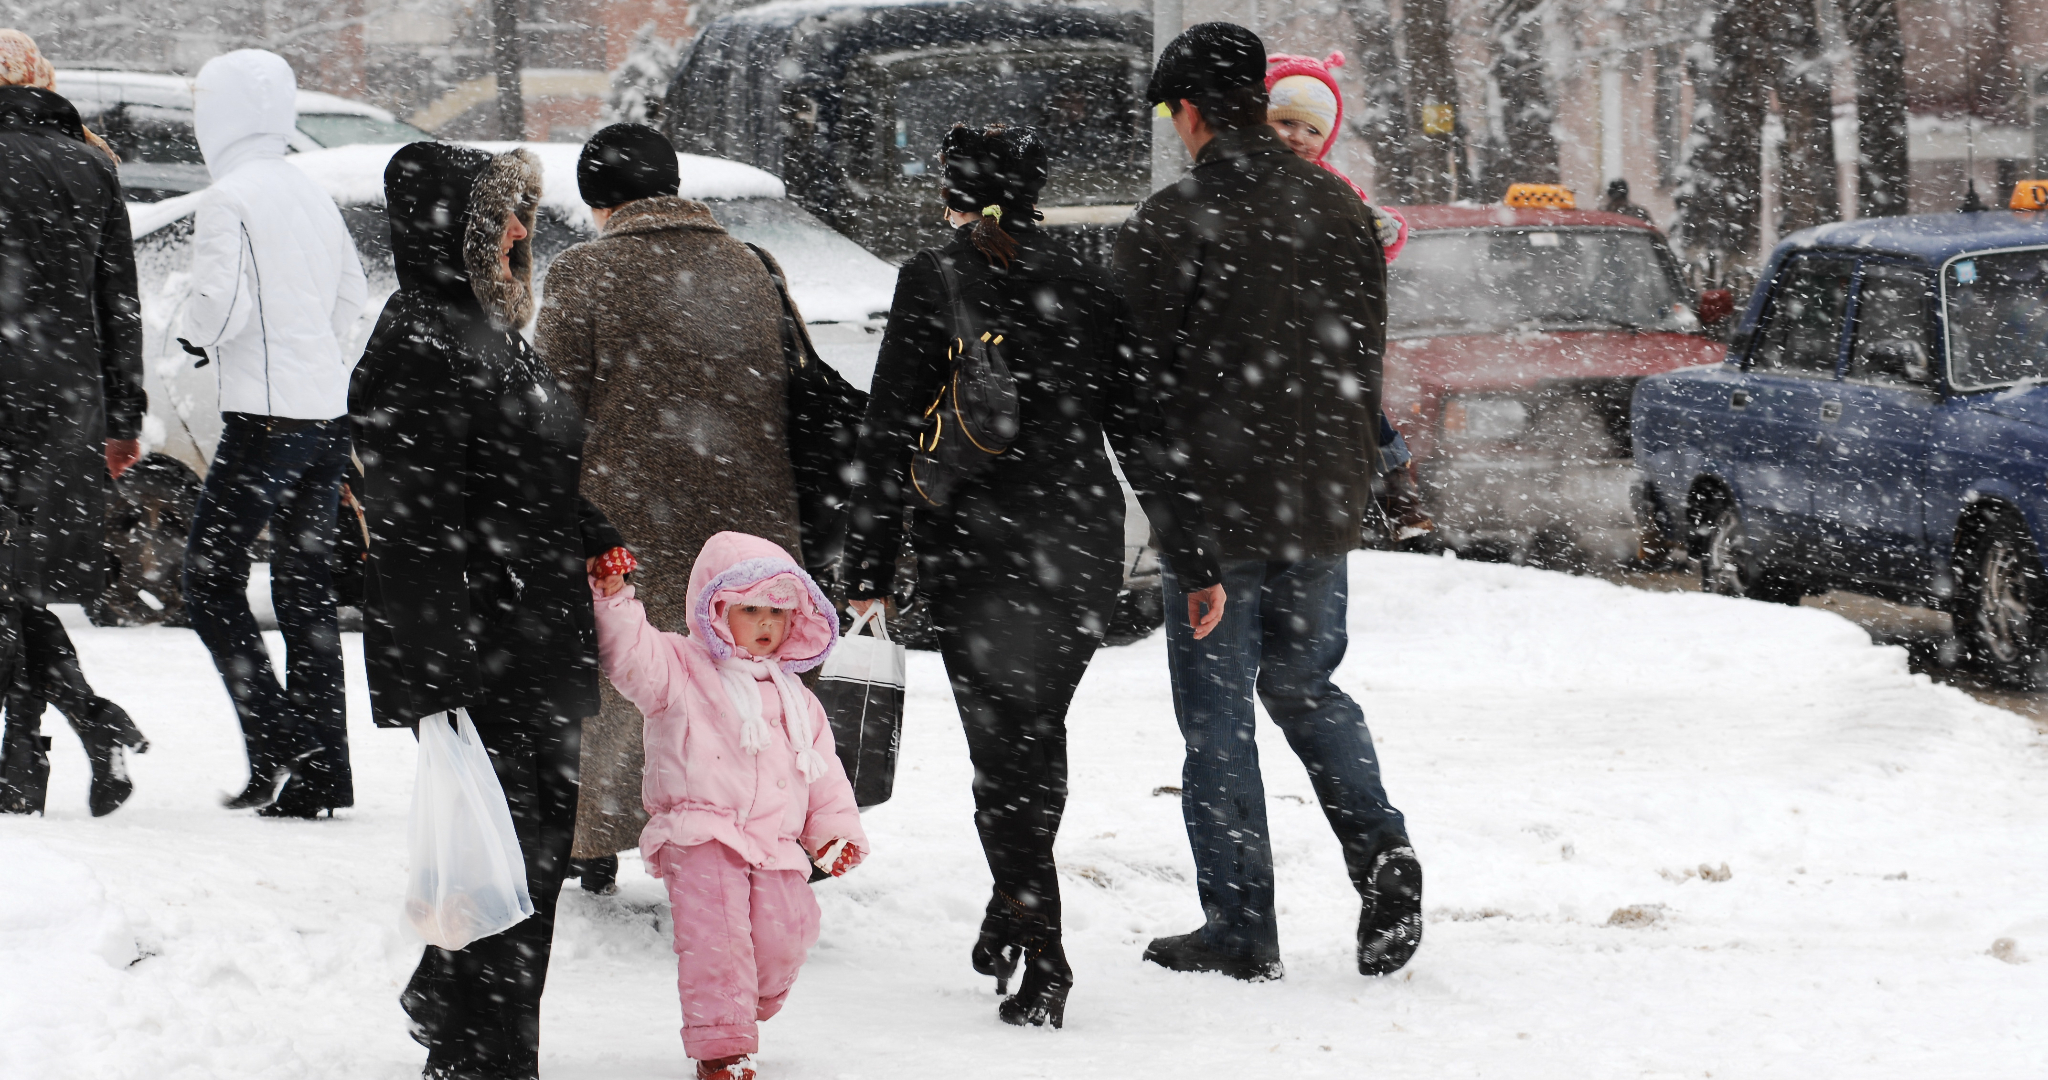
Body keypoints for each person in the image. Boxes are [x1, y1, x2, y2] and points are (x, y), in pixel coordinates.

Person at [842, 122, 1226, 1028]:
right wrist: (1192, 556)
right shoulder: (1091, 281)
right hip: (1079, 547)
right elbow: (1141, 431)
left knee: (1000, 757)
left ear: (949, 190)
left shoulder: (932, 278)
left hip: (977, 551)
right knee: (1035, 738)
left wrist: (865, 570)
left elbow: (888, 431)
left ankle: (1041, 946)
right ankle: (1010, 905)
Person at [1115, 22, 1422, 983]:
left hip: (1218, 516)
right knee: (1305, 688)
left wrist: (1182, 539)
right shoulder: (1340, 210)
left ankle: (1242, 926)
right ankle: (1383, 852)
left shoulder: (1175, 220)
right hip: (1320, 505)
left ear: (1192, 112)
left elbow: (1134, 395)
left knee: (1218, 722)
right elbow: (1357, 367)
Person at [349, 141, 628, 1080]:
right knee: (518, 865)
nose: (522, 232)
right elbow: (416, 526)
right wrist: (445, 682)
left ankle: (452, 1003)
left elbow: (515, 471)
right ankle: (493, 1055)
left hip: (531, 632)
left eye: (522, 211)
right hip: (484, 652)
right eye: (501, 214)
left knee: (517, 862)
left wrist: (588, 528)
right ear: (450, 233)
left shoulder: (483, 327)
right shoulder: (420, 341)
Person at [536, 123, 808, 894]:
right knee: (739, 684)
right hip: (753, 525)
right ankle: (756, 834)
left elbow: (553, 412)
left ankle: (596, 837)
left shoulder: (582, 275)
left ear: (598, 200)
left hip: (631, 524)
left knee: (628, 686)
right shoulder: (753, 265)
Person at [589, 531, 865, 1080]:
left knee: (787, 935)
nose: (767, 623)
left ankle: (738, 1008)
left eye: (779, 612)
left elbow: (824, 771)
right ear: (715, 610)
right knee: (715, 942)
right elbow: (630, 656)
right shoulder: (679, 668)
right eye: (751, 609)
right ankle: (723, 1050)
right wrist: (615, 597)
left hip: (776, 843)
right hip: (701, 832)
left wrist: (835, 832)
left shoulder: (798, 697)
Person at [177, 49, 369, 818]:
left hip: (265, 417)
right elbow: (353, 296)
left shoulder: (229, 198)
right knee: (304, 590)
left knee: (208, 578)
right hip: (324, 416)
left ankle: (285, 738)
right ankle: (320, 770)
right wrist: (320, 364)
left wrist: (194, 336)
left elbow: (219, 310)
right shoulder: (310, 192)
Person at [0, 29, 151, 819]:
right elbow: (118, 302)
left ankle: (60, 742)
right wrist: (123, 417)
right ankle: (36, 756)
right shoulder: (92, 164)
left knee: (10, 591)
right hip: (65, 401)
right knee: (18, 588)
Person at [1263, 50, 1436, 548]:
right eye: (1285, 122)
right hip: (1274, 330)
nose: (1298, 137)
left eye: (1313, 130)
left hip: (1324, 330)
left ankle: (1395, 486)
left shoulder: (1336, 187)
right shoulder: (1250, 181)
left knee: (1361, 411)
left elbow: (1376, 230)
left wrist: (1388, 231)